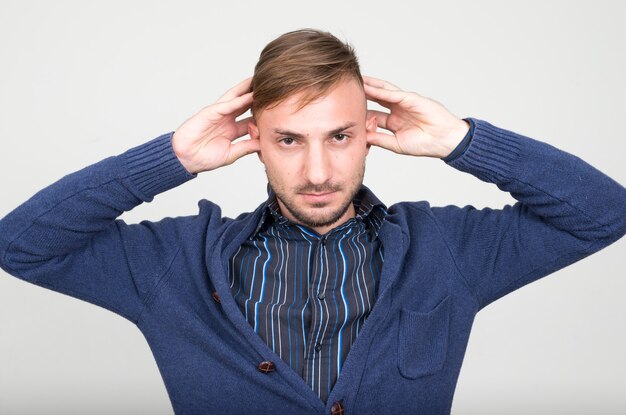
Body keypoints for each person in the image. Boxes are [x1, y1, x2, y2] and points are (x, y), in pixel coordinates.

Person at [0, 28, 624, 414]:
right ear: (255, 141)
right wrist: (172, 159)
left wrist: (462, 140)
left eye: (340, 136)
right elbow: (21, 245)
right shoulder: (176, 265)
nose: (320, 171)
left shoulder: (446, 250)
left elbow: (602, 213)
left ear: (372, 133)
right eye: (291, 140)